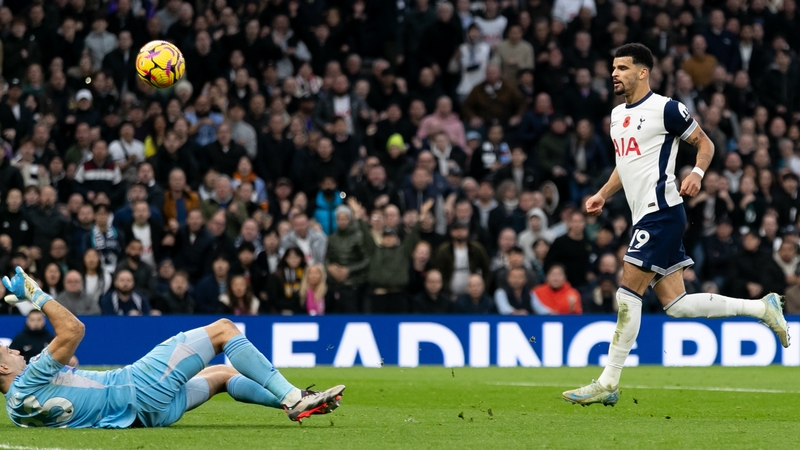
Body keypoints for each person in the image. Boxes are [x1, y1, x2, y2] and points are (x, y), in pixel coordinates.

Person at [563, 44, 789, 407]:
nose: (614, 74)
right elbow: (626, 164)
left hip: (662, 211)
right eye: (613, 67)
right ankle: (763, 309)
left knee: (627, 293)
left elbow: (705, 144)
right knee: (677, 305)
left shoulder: (666, 108)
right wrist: (603, 193)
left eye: (622, 67)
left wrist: (697, 172)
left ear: (642, 72)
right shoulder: (617, 115)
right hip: (646, 214)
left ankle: (608, 382)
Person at [1, 266, 345, 427]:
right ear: (2, 369)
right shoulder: (27, 381)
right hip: (138, 387)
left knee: (224, 375)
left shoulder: (15, 411)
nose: (16, 351)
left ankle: (296, 399)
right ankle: (295, 399)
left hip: (148, 418)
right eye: (8, 352)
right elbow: (73, 330)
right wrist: (33, 291)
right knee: (224, 330)